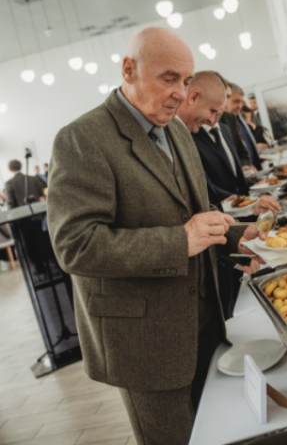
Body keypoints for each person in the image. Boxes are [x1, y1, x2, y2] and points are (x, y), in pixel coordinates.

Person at [47, 27, 261, 445]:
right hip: (146, 343)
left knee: (221, 432)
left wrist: (238, 236)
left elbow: (194, 213)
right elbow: (75, 246)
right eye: (169, 78)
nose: (181, 93)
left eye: (186, 80)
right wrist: (178, 242)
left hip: (205, 322)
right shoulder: (81, 139)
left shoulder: (177, 131)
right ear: (128, 70)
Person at [175, 70, 278, 317]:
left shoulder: (196, 132)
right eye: (213, 110)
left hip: (221, 238)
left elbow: (207, 195)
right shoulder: (187, 136)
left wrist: (236, 234)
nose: (214, 120)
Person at [228, 83, 263, 170]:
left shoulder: (239, 118)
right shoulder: (224, 124)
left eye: (241, 102)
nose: (239, 106)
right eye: (236, 101)